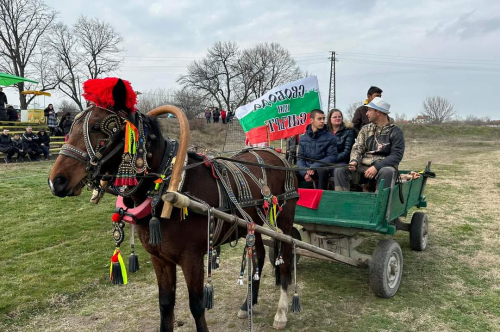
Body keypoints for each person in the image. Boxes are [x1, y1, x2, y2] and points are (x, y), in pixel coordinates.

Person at [334, 97, 405, 192]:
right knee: (340, 170)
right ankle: (343, 201)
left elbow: (396, 156)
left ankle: (378, 204)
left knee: (387, 172)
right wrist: (354, 161)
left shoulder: (395, 132)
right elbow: (357, 148)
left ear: (378, 112)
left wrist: (377, 167)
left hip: (384, 167)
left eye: (369, 110)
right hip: (364, 166)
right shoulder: (365, 129)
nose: (367, 113)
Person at [297, 109, 338, 189]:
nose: (322, 121)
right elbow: (300, 159)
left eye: (323, 118)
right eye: (319, 119)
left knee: (322, 171)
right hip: (307, 168)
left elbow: (332, 157)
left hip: (322, 168)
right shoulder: (303, 138)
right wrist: (305, 172)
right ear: (311, 120)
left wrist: (313, 166)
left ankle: (321, 198)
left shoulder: (330, 137)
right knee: (289, 171)